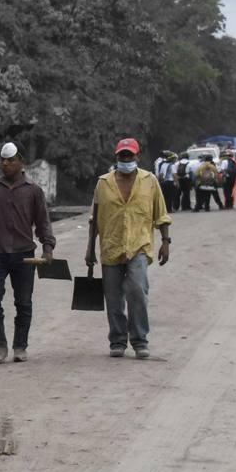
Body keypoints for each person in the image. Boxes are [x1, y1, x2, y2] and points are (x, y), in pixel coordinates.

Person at [0, 142, 55, 364]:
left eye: (11, 160)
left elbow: (43, 221)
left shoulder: (33, 190)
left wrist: (47, 247)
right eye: (3, 160)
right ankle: (0, 344)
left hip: (24, 254)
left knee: (23, 302)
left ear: (21, 162)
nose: (5, 164)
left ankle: (20, 346)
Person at [85, 139, 171, 360]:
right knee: (113, 297)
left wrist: (165, 241)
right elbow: (94, 219)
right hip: (111, 246)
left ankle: (140, 340)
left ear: (137, 157)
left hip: (139, 246)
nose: (126, 159)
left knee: (136, 291)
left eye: (129, 156)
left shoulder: (150, 181)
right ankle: (117, 340)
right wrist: (89, 249)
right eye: (122, 156)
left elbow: (161, 214)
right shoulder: (103, 184)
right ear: (116, 157)